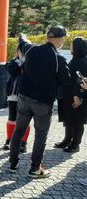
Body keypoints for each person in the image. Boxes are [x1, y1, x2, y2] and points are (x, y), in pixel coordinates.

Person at [8, 26, 70, 178]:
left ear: (48, 37)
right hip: (43, 102)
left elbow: (22, 41)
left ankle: (13, 164)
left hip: (23, 97)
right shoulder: (59, 58)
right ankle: (35, 168)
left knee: (18, 130)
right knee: (41, 135)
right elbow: (66, 80)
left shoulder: (32, 50)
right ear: (61, 40)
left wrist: (22, 35)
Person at [55, 37, 87, 153]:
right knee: (69, 119)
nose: (71, 47)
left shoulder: (83, 61)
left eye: (73, 44)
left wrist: (77, 95)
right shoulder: (75, 59)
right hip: (68, 95)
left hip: (77, 97)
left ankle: (75, 144)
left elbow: (82, 81)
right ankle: (67, 140)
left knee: (77, 121)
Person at [4, 34, 34, 153]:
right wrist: (20, 60)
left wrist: (27, 61)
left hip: (26, 95)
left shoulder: (32, 63)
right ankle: (9, 140)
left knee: (25, 120)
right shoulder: (13, 62)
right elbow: (11, 70)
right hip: (13, 95)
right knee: (12, 118)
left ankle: (23, 143)